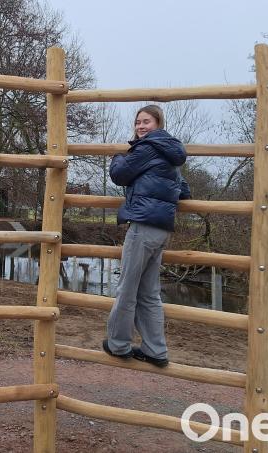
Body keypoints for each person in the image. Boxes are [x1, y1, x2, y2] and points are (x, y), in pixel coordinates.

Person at [102, 105, 191, 368]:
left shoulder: (148, 147)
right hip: (161, 228)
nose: (141, 127)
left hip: (142, 226)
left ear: (158, 124)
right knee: (150, 293)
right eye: (138, 122)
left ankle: (118, 344)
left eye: (146, 122)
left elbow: (119, 174)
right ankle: (155, 350)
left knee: (127, 289)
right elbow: (184, 191)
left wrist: (118, 157)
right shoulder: (171, 153)